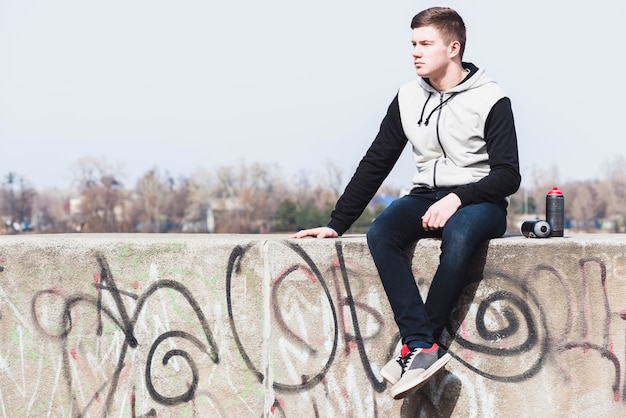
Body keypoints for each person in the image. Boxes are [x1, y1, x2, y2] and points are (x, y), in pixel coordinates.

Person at [291, 6, 520, 400]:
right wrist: (337, 223)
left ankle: (417, 346)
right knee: (381, 232)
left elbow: (508, 175)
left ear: (453, 47)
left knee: (461, 234)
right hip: (424, 195)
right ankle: (422, 344)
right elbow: (376, 160)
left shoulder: (492, 98)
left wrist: (458, 197)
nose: (415, 52)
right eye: (413, 43)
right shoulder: (408, 97)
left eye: (425, 44)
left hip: (480, 200)